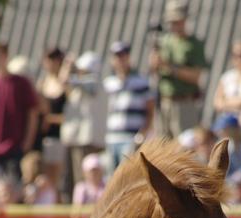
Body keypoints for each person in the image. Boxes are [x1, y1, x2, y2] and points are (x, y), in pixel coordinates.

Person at [0, 42, 40, 178]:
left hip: (14, 146)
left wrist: (27, 142)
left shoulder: (21, 83)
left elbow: (33, 113)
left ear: (5, 57)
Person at [149, 0, 208, 138]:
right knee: (163, 148)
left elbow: (196, 76)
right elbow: (154, 72)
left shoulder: (194, 44)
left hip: (185, 103)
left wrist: (168, 66)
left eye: (177, 20)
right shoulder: (164, 42)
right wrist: (154, 63)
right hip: (164, 102)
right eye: (172, 21)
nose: (174, 25)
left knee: (185, 145)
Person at [60, 50, 107, 200]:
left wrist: (68, 66)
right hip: (78, 141)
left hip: (87, 142)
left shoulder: (94, 83)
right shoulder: (82, 85)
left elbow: (66, 80)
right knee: (78, 183)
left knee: (85, 180)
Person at [103, 41, 154, 172]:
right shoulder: (109, 83)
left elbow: (150, 111)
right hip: (112, 138)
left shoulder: (141, 82)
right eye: (117, 56)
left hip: (130, 138)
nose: (120, 59)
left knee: (127, 176)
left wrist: (142, 134)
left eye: (123, 55)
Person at [37, 47, 67, 189]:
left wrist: (49, 119)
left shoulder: (65, 86)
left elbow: (69, 117)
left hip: (60, 137)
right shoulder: (42, 84)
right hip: (44, 138)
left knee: (56, 179)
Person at [213, 42, 241, 122]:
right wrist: (238, 103)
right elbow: (217, 103)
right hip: (225, 120)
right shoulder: (227, 76)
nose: (238, 59)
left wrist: (226, 102)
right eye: (235, 55)